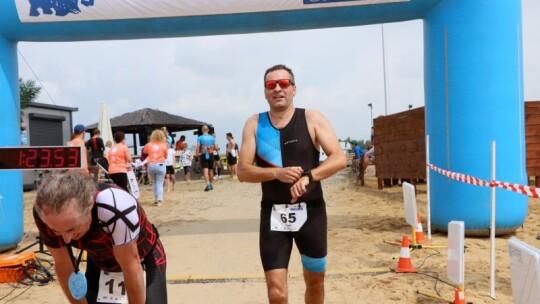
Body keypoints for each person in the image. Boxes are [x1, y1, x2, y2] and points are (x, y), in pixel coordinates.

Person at [237, 64, 346, 304]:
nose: (277, 88)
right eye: (271, 85)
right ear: (265, 92)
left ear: (294, 89)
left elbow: (339, 158)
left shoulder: (312, 118)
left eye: (283, 83)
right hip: (274, 214)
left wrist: (309, 176)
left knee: (315, 284)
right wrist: (275, 174)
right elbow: (242, 171)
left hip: (312, 213)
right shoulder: (255, 124)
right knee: (276, 293)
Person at [33, 171, 167, 304]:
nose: (67, 239)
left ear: (89, 205)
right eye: (56, 231)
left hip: (144, 256)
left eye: (72, 228)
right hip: (100, 259)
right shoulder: (44, 213)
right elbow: (64, 265)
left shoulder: (114, 206)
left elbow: (131, 266)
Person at [143, 129, 168, 206]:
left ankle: (156, 198)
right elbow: (166, 156)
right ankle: (159, 200)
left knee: (154, 182)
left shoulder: (148, 145)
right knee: (160, 183)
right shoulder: (164, 145)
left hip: (151, 165)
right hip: (160, 165)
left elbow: (144, 152)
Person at [195, 125, 218, 191]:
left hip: (203, 154)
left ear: (202, 130)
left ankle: (208, 184)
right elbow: (216, 148)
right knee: (211, 170)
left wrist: (197, 154)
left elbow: (198, 147)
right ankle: (210, 184)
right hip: (211, 154)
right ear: (208, 130)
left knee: (205, 171)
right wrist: (211, 148)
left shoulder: (200, 137)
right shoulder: (212, 138)